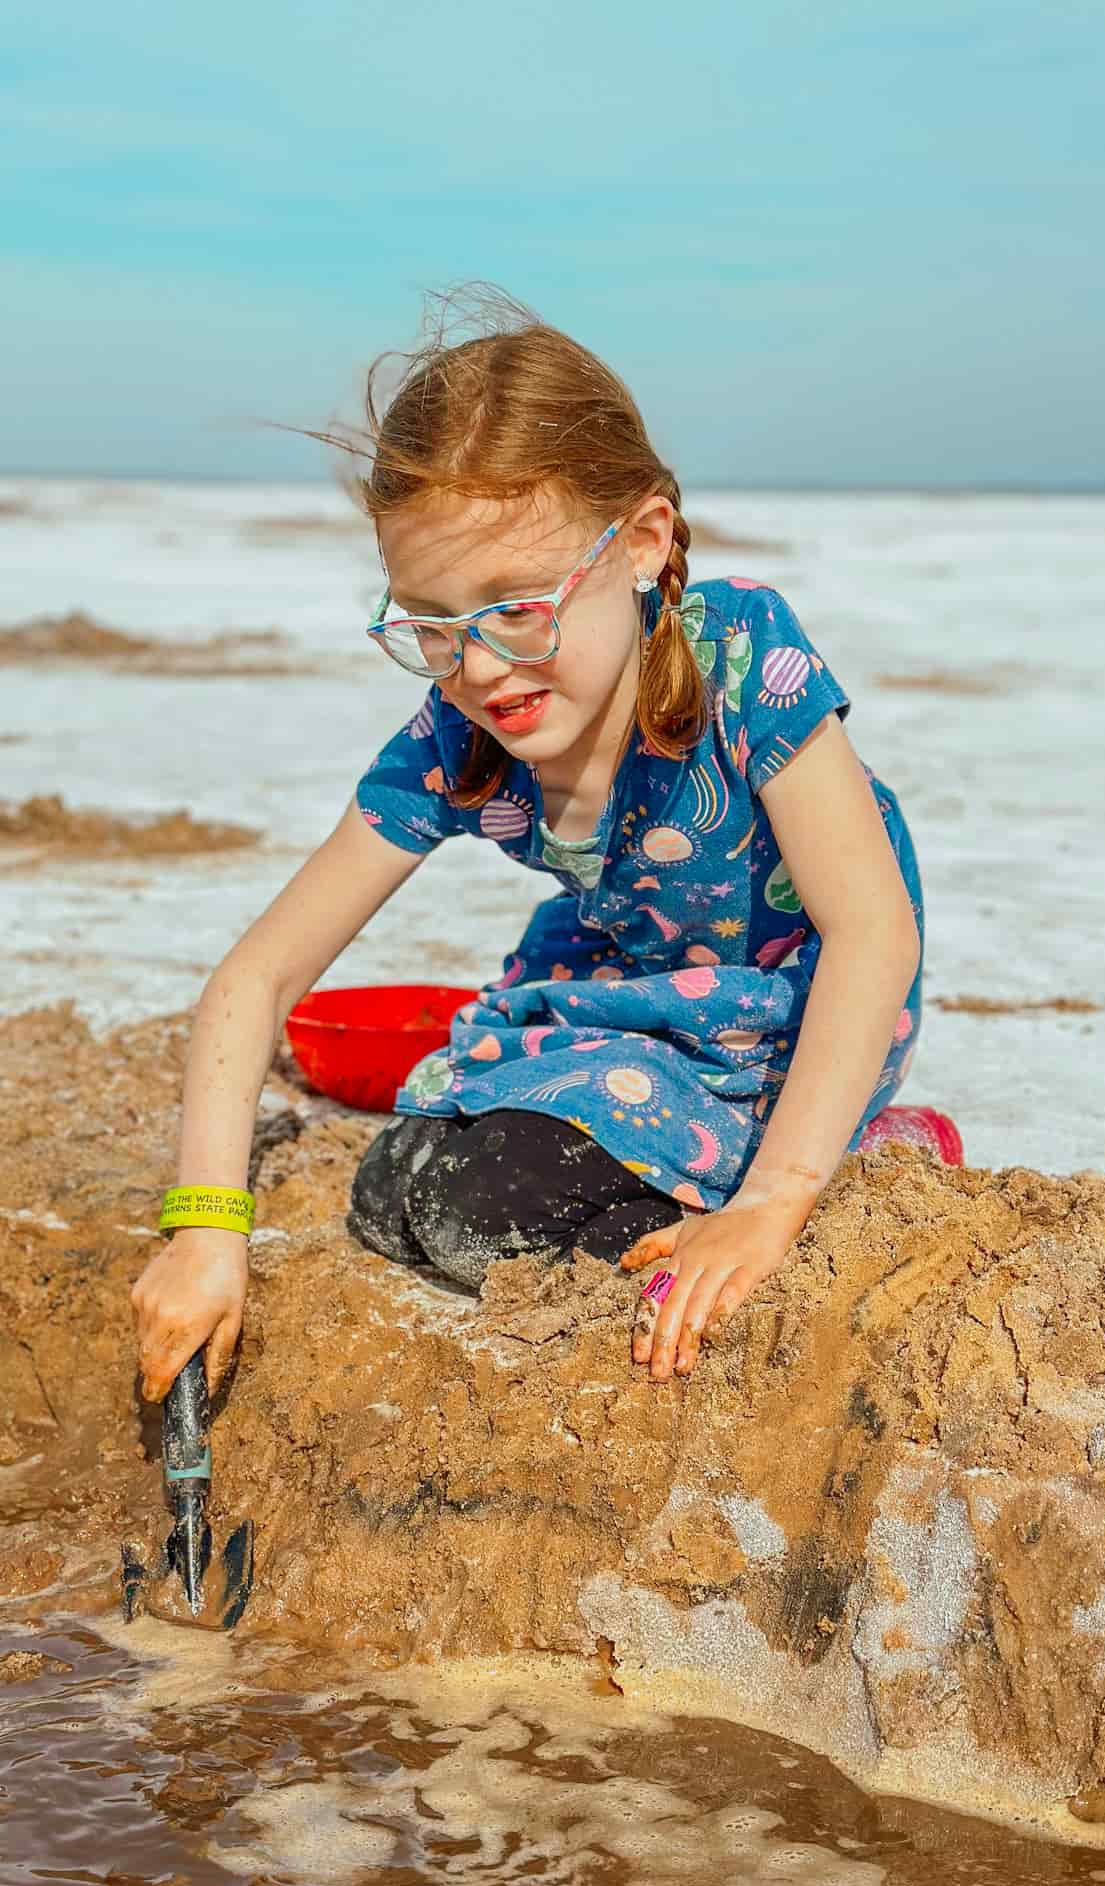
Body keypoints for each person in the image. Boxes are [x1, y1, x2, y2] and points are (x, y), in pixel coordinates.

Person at [132, 285, 951, 1407]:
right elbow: (256, 977)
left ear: (644, 543)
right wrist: (205, 1230)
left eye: (518, 607)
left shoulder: (746, 657)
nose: (479, 669)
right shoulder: (456, 737)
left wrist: (773, 1205)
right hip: (624, 982)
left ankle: (865, 1147)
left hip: (796, 1000)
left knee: (494, 1202)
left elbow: (874, 930)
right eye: (430, 624)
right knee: (396, 1194)